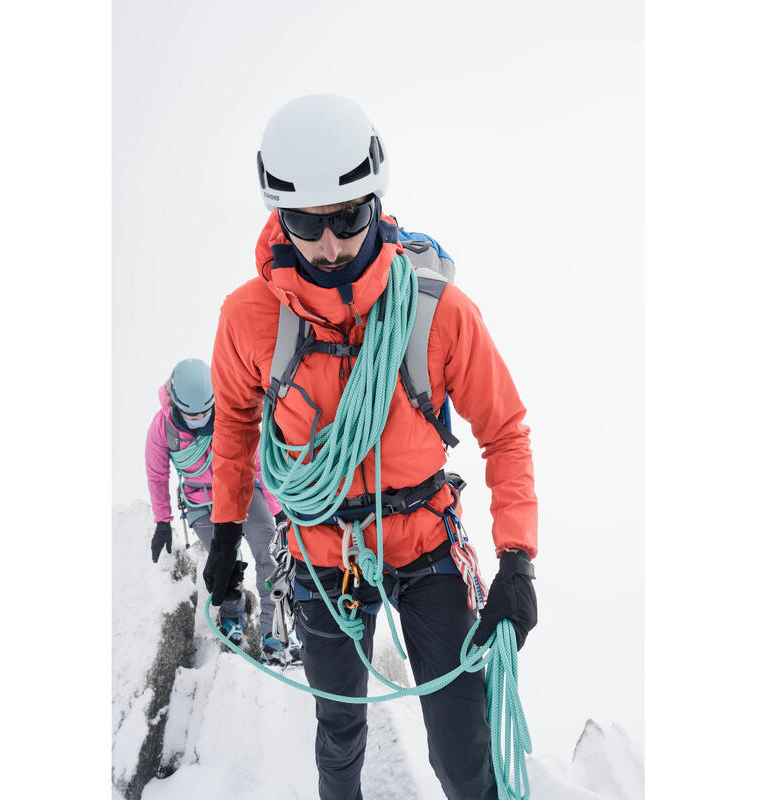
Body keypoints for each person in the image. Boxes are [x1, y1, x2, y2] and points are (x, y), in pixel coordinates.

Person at [205, 95, 537, 800]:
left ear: (375, 202)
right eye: (305, 224)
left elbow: (505, 431)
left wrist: (517, 559)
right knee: (339, 732)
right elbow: (234, 423)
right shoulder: (249, 319)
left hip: (424, 541)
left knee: (461, 747)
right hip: (325, 552)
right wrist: (227, 535)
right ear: (278, 216)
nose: (329, 247)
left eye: (348, 218)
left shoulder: (435, 309)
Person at [145, 357, 301, 665]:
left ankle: (276, 635)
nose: (200, 417)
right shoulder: (162, 429)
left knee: (267, 550)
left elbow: (257, 463)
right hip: (202, 502)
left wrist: (278, 512)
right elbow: (157, 474)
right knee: (228, 561)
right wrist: (163, 521)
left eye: (205, 410)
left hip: (244, 493)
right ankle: (232, 619)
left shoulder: (228, 414)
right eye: (192, 413)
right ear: (175, 403)